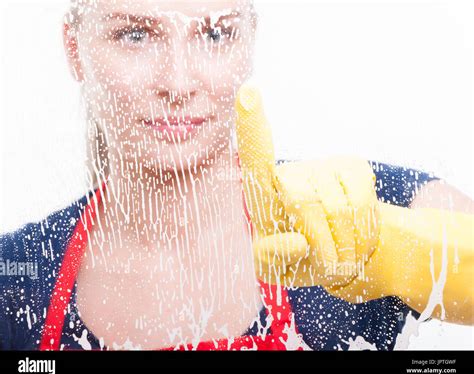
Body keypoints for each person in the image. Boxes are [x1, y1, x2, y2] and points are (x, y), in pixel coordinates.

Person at [0, 0, 472, 351]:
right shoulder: (15, 281)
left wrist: (399, 255)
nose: (179, 84)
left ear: (249, 41)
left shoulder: (357, 209)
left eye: (214, 34)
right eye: (136, 35)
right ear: (75, 50)